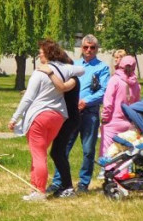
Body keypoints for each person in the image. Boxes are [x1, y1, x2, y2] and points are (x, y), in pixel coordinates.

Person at [9, 40, 71, 201]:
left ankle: (39, 191)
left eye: (41, 52)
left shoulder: (40, 73)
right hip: (58, 116)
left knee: (38, 154)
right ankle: (34, 186)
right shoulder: (63, 70)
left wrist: (15, 117)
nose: (39, 54)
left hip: (39, 116)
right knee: (40, 153)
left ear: (48, 53)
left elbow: (28, 98)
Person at [51, 34, 109, 194]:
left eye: (92, 47)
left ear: (97, 49)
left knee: (88, 150)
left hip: (89, 113)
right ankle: (59, 181)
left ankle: (84, 183)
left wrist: (86, 101)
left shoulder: (102, 68)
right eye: (85, 47)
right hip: (71, 112)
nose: (89, 50)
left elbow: (104, 91)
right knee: (63, 148)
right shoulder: (74, 65)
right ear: (81, 48)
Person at [39, 48, 85, 198]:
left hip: (71, 119)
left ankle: (68, 187)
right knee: (58, 152)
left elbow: (62, 87)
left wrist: (50, 73)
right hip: (64, 119)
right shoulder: (65, 76)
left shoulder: (73, 79)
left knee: (58, 152)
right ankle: (65, 185)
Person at [100, 55, 140, 159]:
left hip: (113, 121)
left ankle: (106, 171)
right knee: (124, 150)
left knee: (108, 150)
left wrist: (105, 118)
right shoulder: (136, 84)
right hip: (128, 122)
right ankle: (122, 172)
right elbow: (137, 104)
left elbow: (108, 102)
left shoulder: (115, 80)